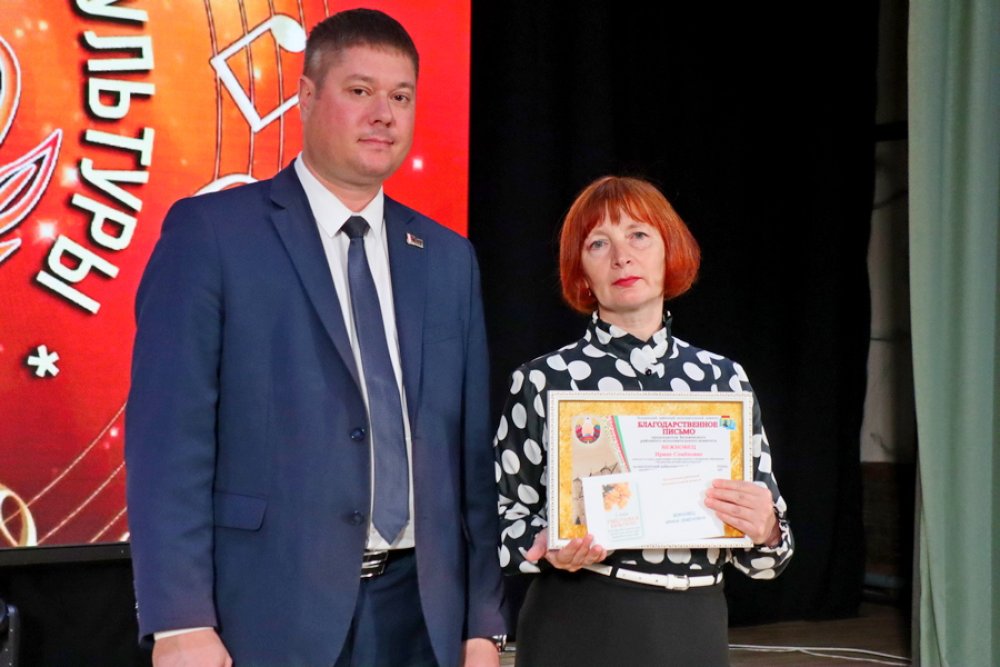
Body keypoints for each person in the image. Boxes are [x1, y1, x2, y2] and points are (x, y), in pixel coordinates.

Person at [126, 9, 505, 667]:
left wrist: (483, 623)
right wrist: (179, 620)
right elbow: (167, 440)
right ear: (305, 96)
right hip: (267, 614)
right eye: (360, 91)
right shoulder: (212, 234)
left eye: (401, 97)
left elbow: (468, 459)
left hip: (425, 618)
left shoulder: (448, 258)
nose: (384, 114)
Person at [494, 176, 794, 666]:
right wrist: (545, 546)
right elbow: (501, 516)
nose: (621, 257)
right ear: (580, 272)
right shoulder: (543, 380)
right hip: (581, 623)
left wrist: (768, 530)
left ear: (669, 251)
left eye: (638, 235)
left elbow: (766, 559)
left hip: (695, 626)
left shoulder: (723, 379)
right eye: (598, 243)